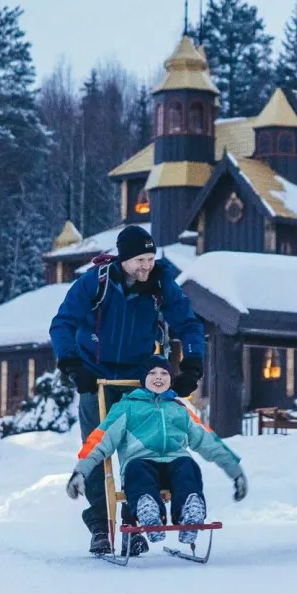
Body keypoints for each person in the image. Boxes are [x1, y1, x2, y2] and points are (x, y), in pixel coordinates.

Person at [49, 224, 205, 556]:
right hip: (95, 377)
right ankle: (100, 526)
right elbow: (62, 324)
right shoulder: (96, 283)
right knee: (98, 450)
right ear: (123, 259)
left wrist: (192, 364)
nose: (146, 266)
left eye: (150, 258)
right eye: (139, 260)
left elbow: (189, 324)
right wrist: (72, 365)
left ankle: (134, 523)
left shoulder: (161, 284)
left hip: (139, 378)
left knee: (141, 451)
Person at [66, 355, 247, 547]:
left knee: (188, 467)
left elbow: (208, 441)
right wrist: (81, 471)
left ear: (171, 379)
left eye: (164, 373)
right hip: (141, 463)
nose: (158, 377)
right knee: (137, 471)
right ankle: (149, 512)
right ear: (143, 379)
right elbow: (100, 441)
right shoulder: (127, 407)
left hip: (175, 464)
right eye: (152, 373)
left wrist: (235, 472)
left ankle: (189, 512)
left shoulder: (179, 409)